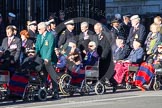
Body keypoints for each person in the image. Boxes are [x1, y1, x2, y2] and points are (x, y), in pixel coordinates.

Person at [35, 22, 59, 99]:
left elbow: (50, 48)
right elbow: (37, 48)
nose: (38, 30)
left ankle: (56, 93)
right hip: (42, 59)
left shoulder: (50, 35)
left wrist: (47, 58)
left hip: (50, 60)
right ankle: (43, 91)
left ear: (44, 28)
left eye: (39, 29)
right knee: (43, 76)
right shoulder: (39, 36)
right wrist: (34, 55)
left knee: (53, 77)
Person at [91, 23, 117, 92]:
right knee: (99, 71)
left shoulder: (107, 35)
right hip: (98, 56)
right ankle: (101, 86)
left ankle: (114, 83)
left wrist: (103, 56)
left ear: (101, 29)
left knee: (106, 72)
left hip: (106, 57)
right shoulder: (94, 36)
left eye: (97, 29)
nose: (96, 30)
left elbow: (107, 47)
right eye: (95, 29)